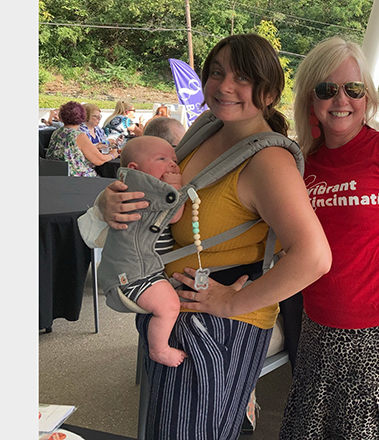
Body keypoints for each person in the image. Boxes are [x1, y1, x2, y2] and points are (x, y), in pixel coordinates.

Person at [94, 34, 332, 440]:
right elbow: (153, 190)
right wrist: (108, 202)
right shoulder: (207, 129)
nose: (224, 86)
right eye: (217, 73)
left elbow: (313, 256)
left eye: (242, 78)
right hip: (177, 306)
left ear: (270, 91)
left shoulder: (268, 161)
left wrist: (233, 300)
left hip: (216, 322)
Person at [274, 36, 379, 440]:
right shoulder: (302, 162)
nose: (341, 100)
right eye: (327, 89)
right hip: (318, 332)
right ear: (311, 99)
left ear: (366, 96)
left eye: (353, 89)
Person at [103, 135, 187, 367]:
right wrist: (176, 188)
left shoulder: (129, 188)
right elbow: (175, 216)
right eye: (161, 159)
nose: (172, 164)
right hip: (136, 272)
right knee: (169, 306)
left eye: (174, 159)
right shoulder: (145, 192)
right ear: (134, 169)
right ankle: (159, 350)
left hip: (133, 268)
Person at [45, 101, 119, 177]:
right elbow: (99, 160)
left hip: (56, 176)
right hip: (79, 179)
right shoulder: (78, 135)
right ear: (83, 116)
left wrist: (95, 147)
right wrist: (113, 155)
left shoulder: (57, 132)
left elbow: (72, 151)